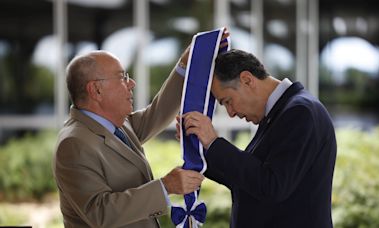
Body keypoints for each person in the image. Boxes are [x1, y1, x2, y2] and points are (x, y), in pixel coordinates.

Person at [181, 49, 337, 228]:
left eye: (228, 101)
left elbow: (272, 186)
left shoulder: (300, 112)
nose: (231, 113)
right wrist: (199, 147)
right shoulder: (280, 113)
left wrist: (213, 142)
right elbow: (248, 180)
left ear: (247, 80)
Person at [52, 47, 206, 228]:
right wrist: (165, 187)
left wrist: (184, 65)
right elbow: (99, 212)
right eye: (122, 77)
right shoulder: (73, 143)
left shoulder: (119, 124)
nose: (132, 83)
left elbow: (159, 111)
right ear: (96, 90)